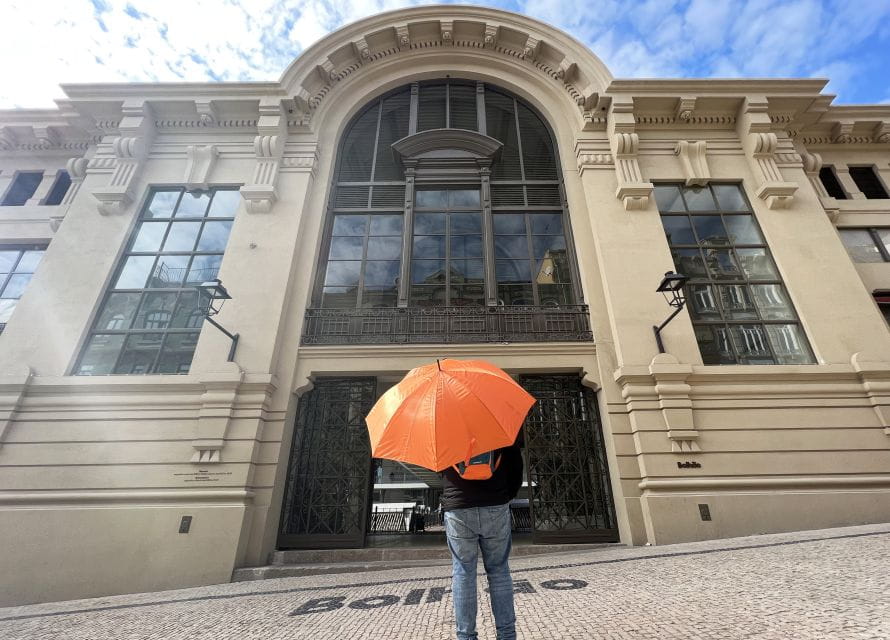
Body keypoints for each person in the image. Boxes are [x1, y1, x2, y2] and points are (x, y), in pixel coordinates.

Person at [441, 439, 523, 640]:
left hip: (458, 505)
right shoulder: (496, 420)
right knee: (499, 571)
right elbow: (515, 466)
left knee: (463, 572)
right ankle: (507, 635)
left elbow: (439, 467)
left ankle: (466, 636)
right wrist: (504, 496)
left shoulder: (444, 424)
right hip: (494, 503)